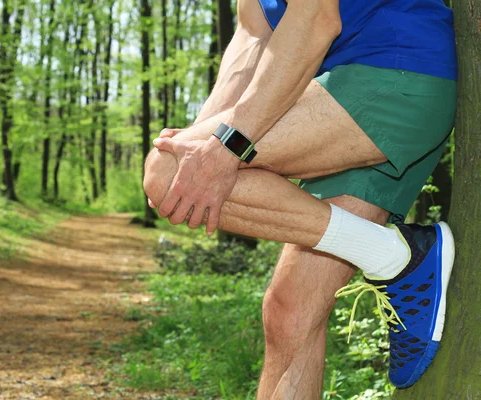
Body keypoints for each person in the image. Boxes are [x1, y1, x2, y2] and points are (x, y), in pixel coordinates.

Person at [143, 0, 457, 398]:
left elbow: (315, 18)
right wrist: (200, 140)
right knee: (290, 312)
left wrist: (223, 147)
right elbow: (254, 35)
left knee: (165, 171)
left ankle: (398, 259)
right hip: (345, 100)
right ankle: (398, 257)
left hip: (395, 78)